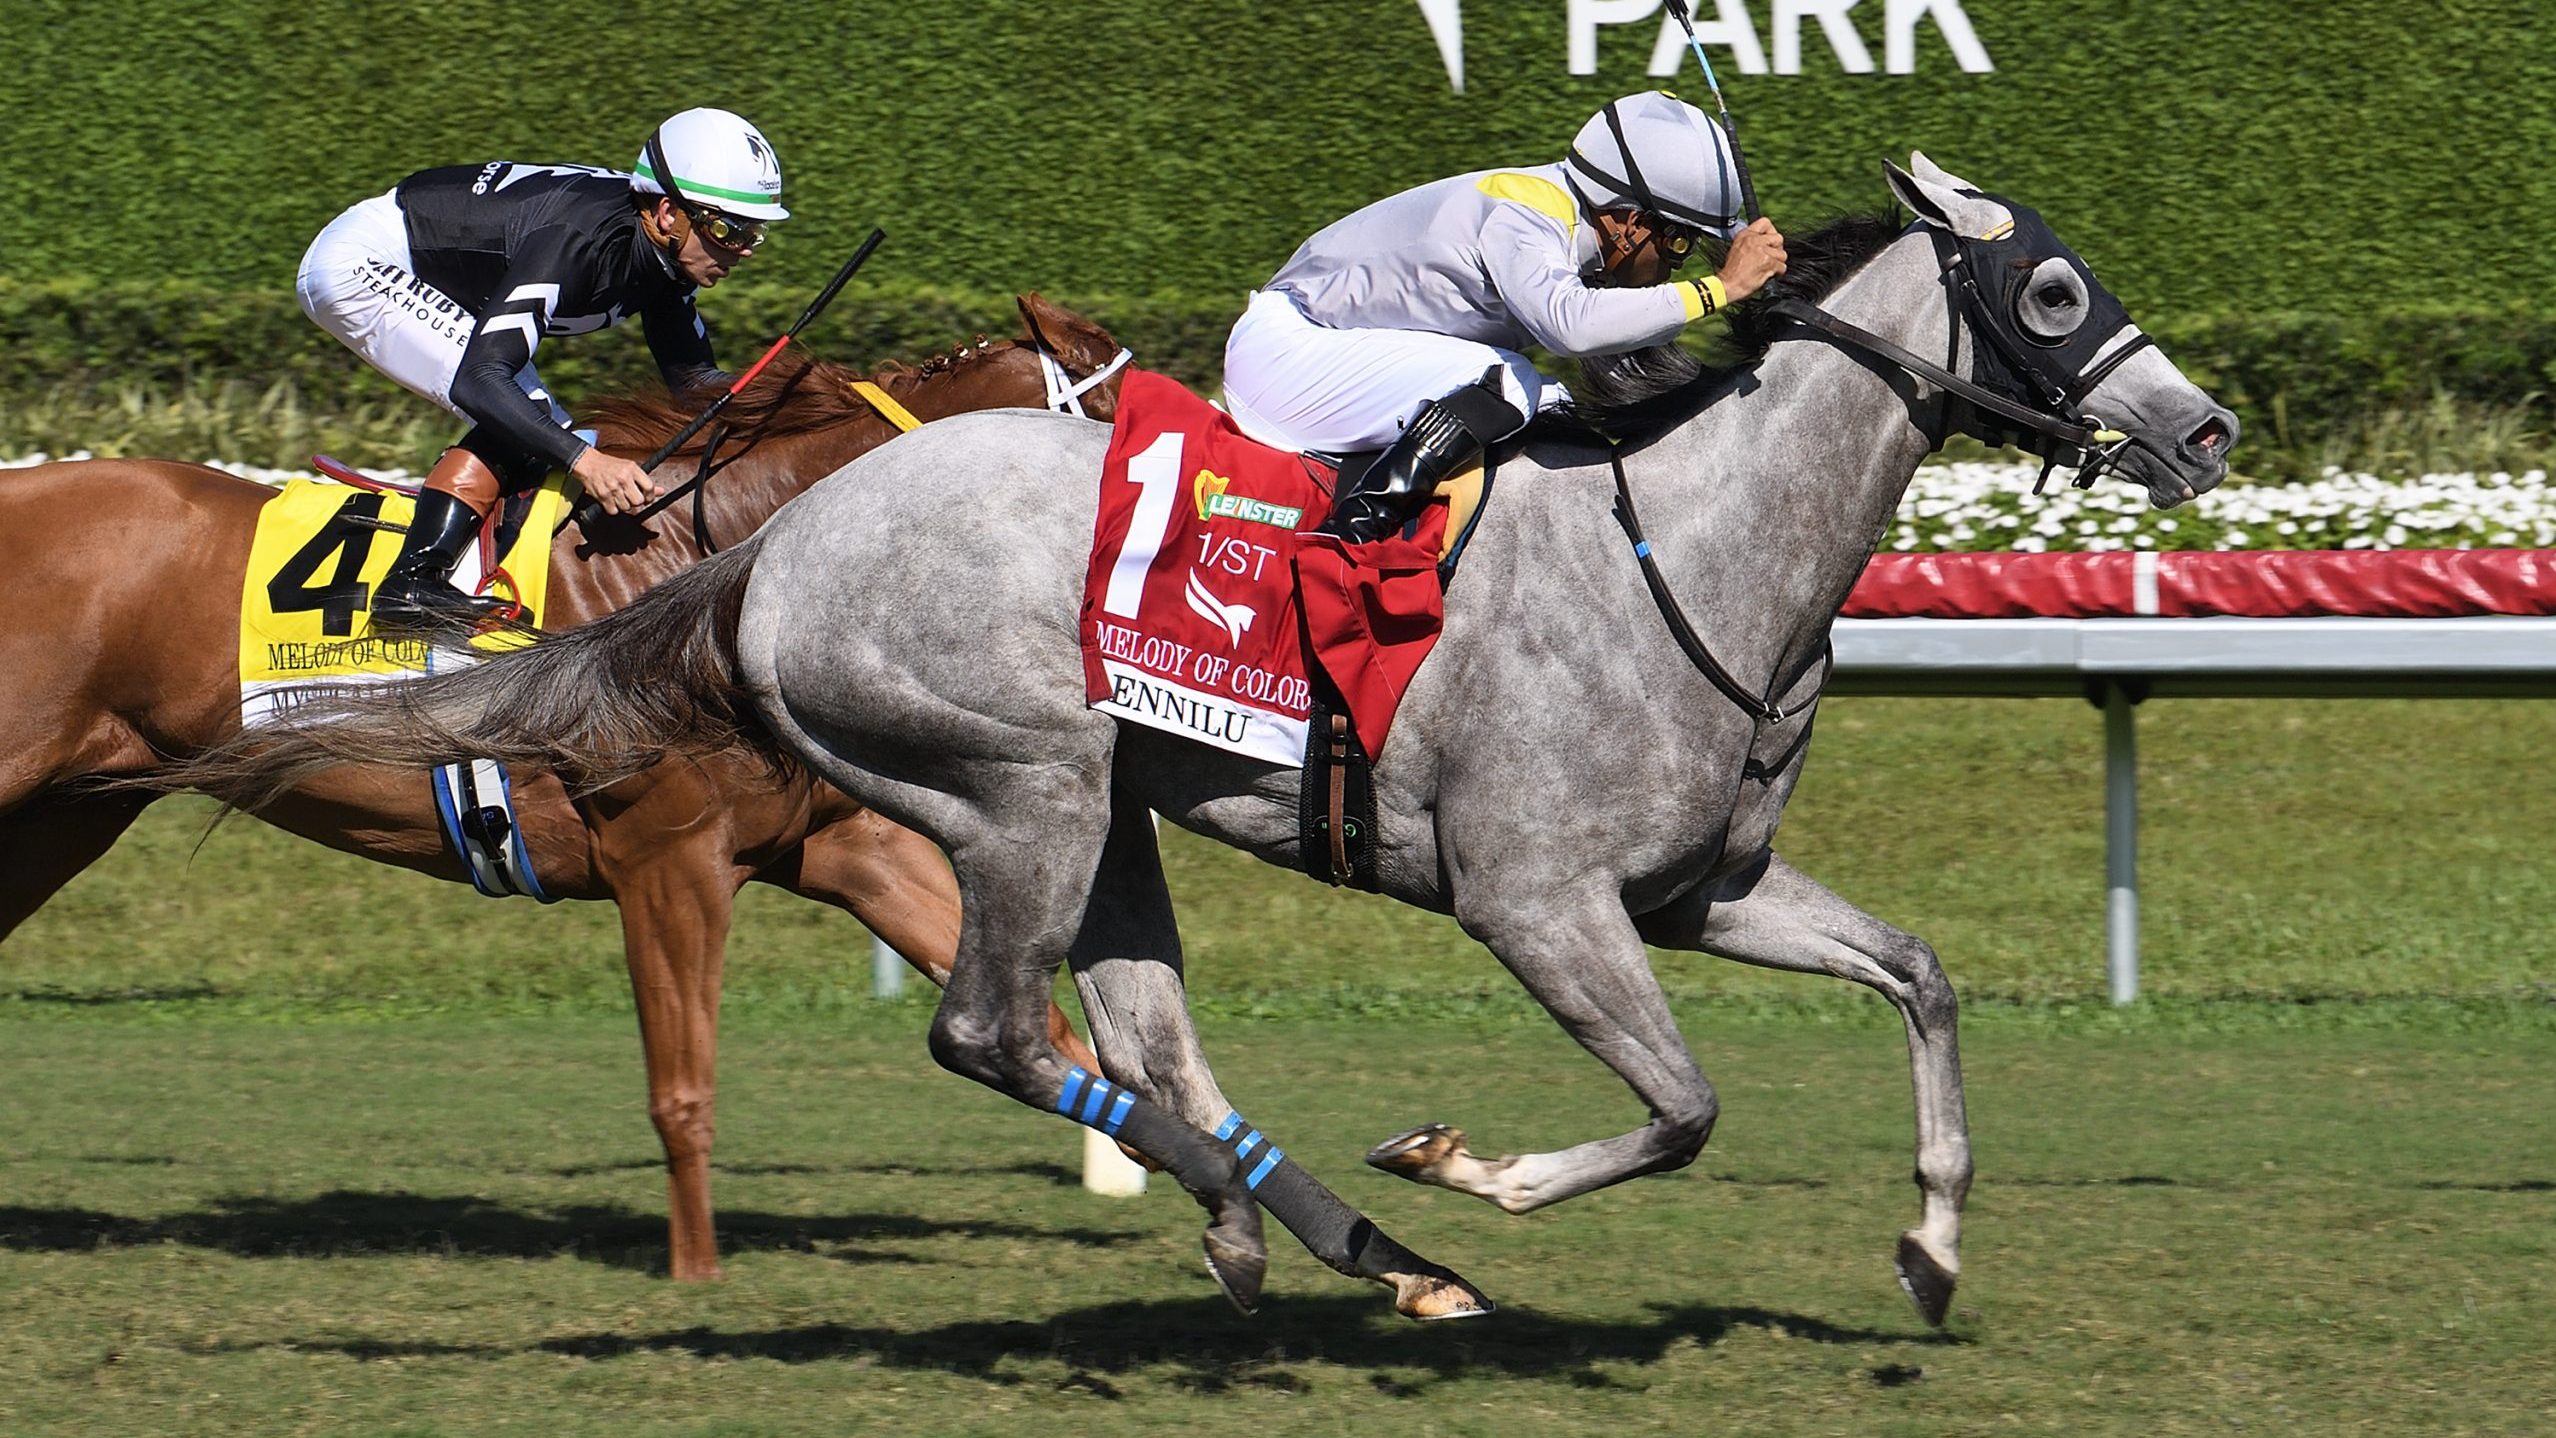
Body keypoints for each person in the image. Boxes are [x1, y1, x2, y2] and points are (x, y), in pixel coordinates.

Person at [296, 107, 788, 631]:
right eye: (726, 229)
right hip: (364, 262)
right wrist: (587, 462)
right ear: (668, 214)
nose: (742, 251)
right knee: (535, 419)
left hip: (424, 259)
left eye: (753, 234)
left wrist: (804, 403)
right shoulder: (579, 240)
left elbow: (696, 387)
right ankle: (412, 584)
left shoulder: (667, 261)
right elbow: (480, 380)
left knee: (546, 427)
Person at [1223, 90, 1790, 544]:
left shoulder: (1573, 217)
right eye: (1678, 244)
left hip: (1325, 354)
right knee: (1510, 382)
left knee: (1553, 403)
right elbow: (1571, 327)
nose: (1674, 265)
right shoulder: (1526, 213)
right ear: (1629, 223)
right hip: (1284, 360)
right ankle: (1353, 538)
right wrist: (1720, 289)